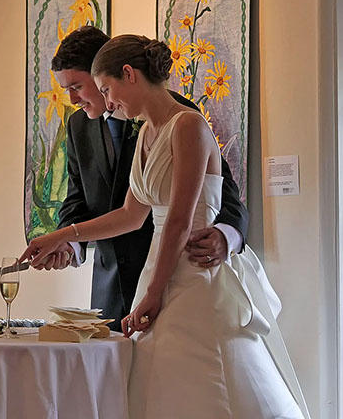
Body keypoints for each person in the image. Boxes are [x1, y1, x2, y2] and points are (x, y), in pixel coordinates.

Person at [21, 35, 307, 418]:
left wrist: (158, 291)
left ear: (128, 74)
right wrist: (61, 235)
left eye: (104, 89)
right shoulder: (138, 133)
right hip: (147, 274)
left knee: (203, 381)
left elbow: (180, 218)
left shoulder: (187, 123)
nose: (106, 103)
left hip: (190, 274)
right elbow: (130, 215)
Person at [36, 26, 248, 332]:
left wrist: (227, 235)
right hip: (113, 292)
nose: (71, 99)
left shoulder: (182, 118)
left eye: (79, 86)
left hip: (183, 273)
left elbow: (223, 193)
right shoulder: (82, 126)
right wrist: (64, 240)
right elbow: (94, 203)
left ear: (116, 73)